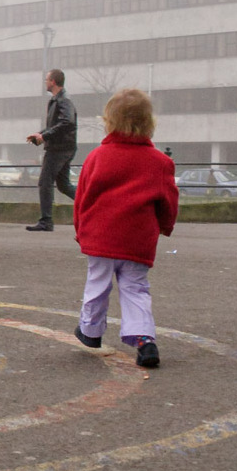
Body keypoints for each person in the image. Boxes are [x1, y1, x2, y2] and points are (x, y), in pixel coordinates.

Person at [71, 89, 178, 369]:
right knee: (135, 288)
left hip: (100, 236)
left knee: (97, 284)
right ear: (148, 122)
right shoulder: (160, 162)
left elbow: (82, 198)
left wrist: (81, 230)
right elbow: (168, 200)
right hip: (137, 239)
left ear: (109, 121)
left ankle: (90, 331)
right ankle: (144, 340)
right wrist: (166, 225)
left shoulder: (96, 157)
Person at [25, 69, 78, 231]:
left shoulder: (63, 100)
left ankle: (46, 221)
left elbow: (67, 122)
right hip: (64, 147)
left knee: (45, 182)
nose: (45, 82)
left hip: (59, 149)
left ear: (53, 82)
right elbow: (57, 125)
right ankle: (93, 203)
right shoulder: (58, 100)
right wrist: (40, 134)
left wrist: (45, 136)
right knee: (64, 185)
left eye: (47, 80)